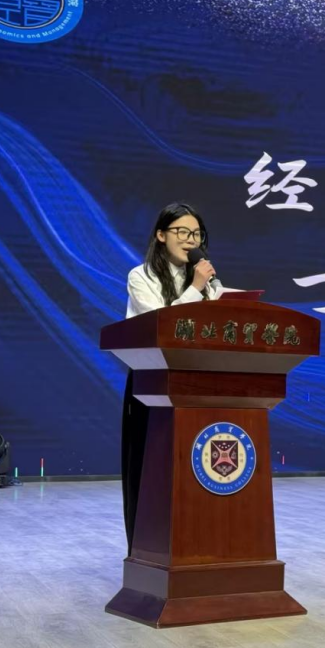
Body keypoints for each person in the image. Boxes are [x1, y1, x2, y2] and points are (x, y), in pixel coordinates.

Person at [122, 202, 225, 554]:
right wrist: (196, 287)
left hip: (199, 381)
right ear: (161, 235)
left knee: (193, 467)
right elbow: (162, 326)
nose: (190, 239)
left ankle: (198, 545)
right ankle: (148, 548)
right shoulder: (141, 276)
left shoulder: (209, 283)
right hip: (151, 384)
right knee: (153, 469)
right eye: (182, 231)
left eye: (196, 233)